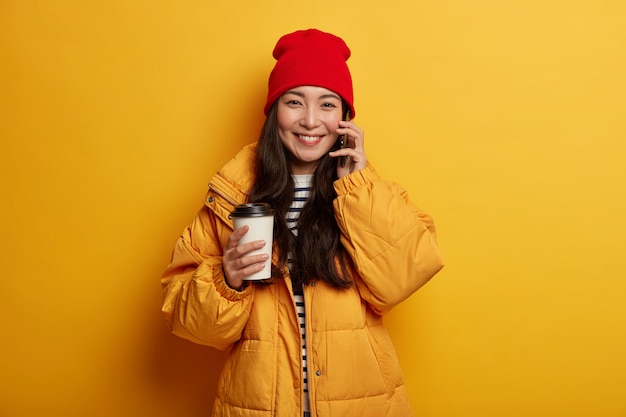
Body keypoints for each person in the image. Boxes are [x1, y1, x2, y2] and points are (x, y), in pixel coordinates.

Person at [161, 28, 444, 417]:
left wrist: (357, 186)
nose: (311, 121)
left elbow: (399, 280)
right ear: (274, 109)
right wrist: (227, 279)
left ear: (345, 117)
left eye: (328, 105)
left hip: (363, 403)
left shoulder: (370, 193)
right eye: (295, 101)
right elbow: (189, 322)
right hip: (259, 406)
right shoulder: (231, 197)